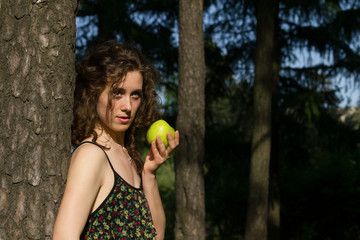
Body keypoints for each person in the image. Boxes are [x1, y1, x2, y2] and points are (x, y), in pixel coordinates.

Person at [53, 41, 179, 240]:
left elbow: (157, 235)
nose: (128, 106)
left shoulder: (126, 155)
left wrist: (149, 174)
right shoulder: (92, 155)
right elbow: (64, 236)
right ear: (95, 92)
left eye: (135, 95)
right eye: (117, 93)